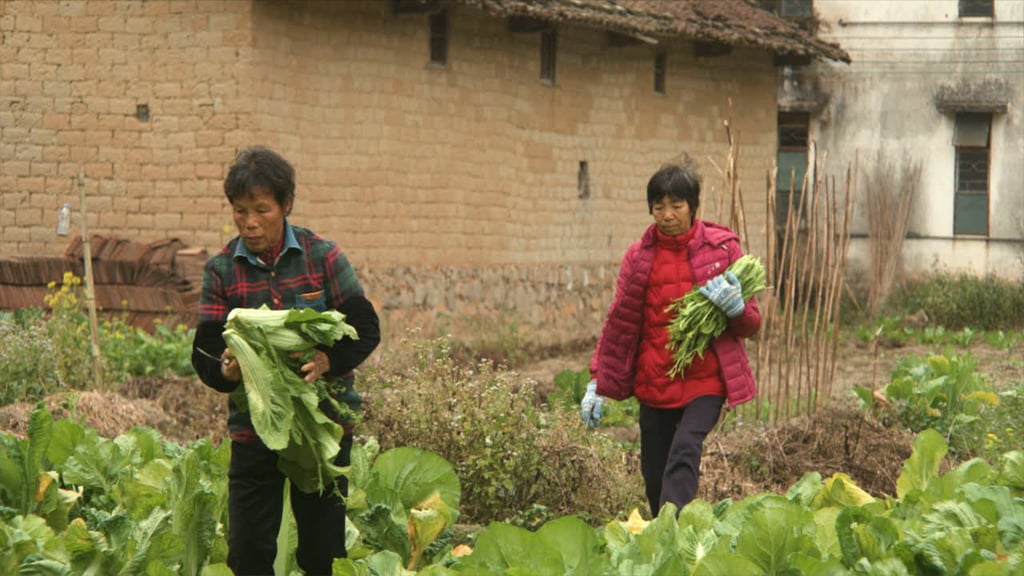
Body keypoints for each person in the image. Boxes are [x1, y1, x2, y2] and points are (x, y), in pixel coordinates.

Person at [191, 146, 380, 575]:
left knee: (322, 554)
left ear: (286, 205)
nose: (250, 222)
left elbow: (366, 327)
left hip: (321, 427)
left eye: (262, 210)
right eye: (240, 211)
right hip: (256, 429)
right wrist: (226, 370)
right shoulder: (221, 269)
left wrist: (328, 359)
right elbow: (204, 349)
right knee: (248, 554)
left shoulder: (323, 257)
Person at [580, 161, 760, 518]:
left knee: (685, 449)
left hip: (705, 380)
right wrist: (598, 380)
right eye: (659, 207)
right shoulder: (638, 257)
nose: (667, 215)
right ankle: (666, 529)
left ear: (693, 207)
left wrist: (736, 309)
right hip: (655, 380)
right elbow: (619, 323)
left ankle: (672, 532)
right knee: (654, 471)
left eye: (676, 206)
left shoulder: (723, 251)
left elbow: (751, 325)